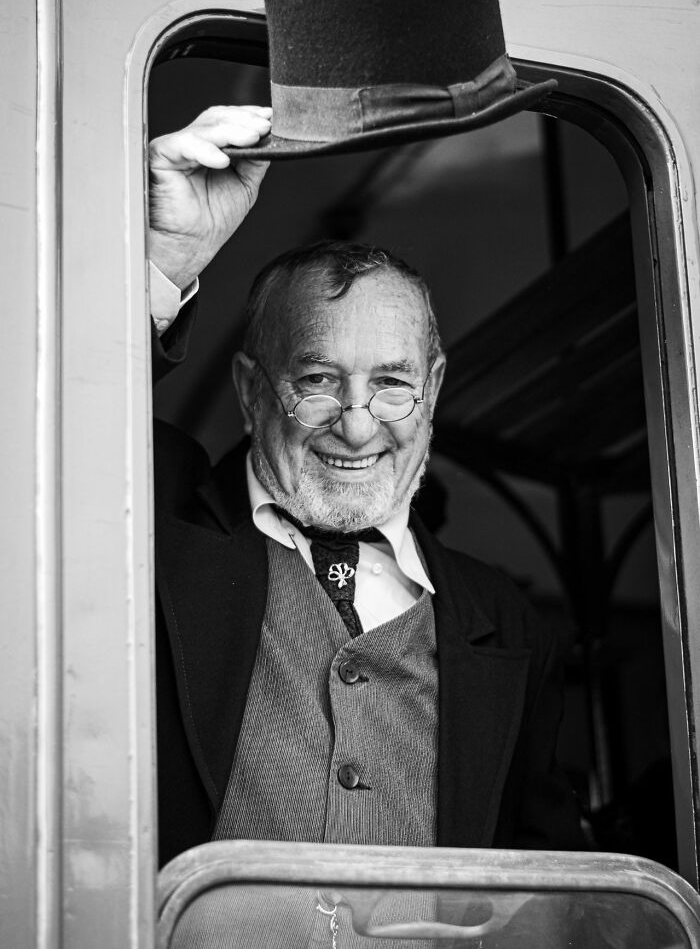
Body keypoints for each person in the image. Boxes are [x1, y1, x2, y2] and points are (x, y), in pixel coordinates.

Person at [149, 105, 582, 867]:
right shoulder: (145, 518)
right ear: (250, 391)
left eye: (391, 384)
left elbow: (534, 888)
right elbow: (42, 419)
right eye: (317, 380)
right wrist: (165, 259)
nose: (356, 426)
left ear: (432, 390)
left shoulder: (509, 624)